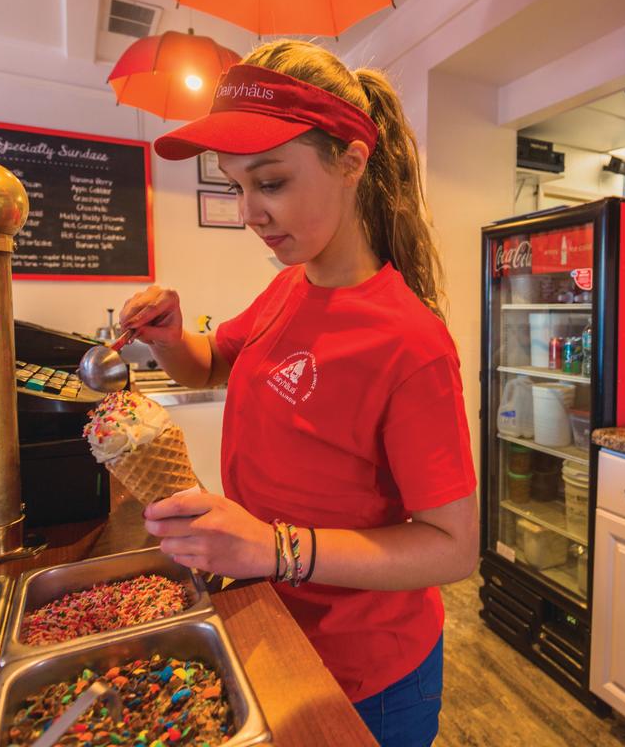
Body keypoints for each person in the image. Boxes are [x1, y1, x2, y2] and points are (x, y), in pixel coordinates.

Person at [119, 40, 478, 747]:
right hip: (274, 628)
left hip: (366, 675)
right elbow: (209, 365)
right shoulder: (290, 286)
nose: (250, 211)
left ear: (351, 162)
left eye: (272, 182)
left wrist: (274, 548)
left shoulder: (411, 343)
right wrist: (168, 335)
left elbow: (453, 549)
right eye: (235, 185)